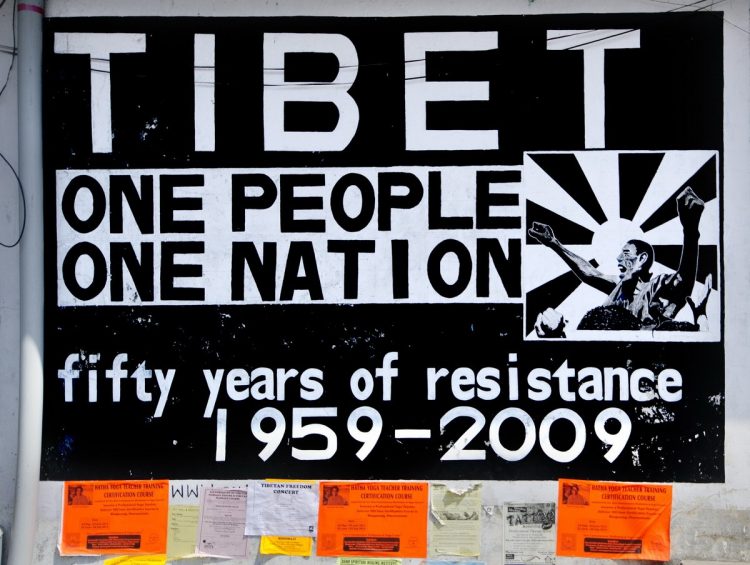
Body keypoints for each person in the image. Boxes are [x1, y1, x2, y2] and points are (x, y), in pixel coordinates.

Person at [528, 186, 705, 332]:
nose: (619, 258)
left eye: (626, 253)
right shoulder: (619, 285)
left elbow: (684, 280)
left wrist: (690, 231)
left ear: (642, 258)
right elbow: (589, 272)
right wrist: (554, 243)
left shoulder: (657, 286)